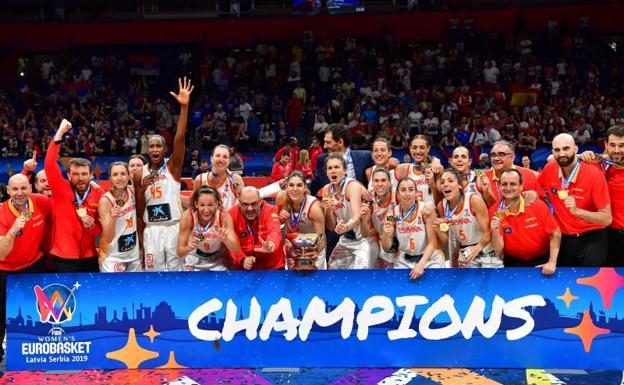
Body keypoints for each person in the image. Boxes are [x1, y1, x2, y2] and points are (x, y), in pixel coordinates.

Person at [136, 77, 194, 272]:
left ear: (164, 149)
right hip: (151, 231)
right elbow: (138, 208)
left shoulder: (173, 166)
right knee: (153, 275)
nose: (154, 148)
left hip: (173, 227)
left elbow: (180, 137)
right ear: (147, 149)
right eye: (151, 145)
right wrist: (141, 240)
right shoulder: (139, 174)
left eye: (158, 145)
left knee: (177, 273)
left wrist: (184, 107)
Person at [0, 174, 52, 361]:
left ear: (31, 188)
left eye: (23, 188)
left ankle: (39, 351)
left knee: (37, 310)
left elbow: (64, 206)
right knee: (1, 313)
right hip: (5, 267)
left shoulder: (41, 202)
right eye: (15, 189)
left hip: (33, 264)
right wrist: (13, 231)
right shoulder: (1, 212)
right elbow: (1, 254)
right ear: (8, 191)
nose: (20, 193)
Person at [538, 133, 611, 267]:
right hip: (565, 238)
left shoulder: (594, 174)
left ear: (576, 149)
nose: (561, 154)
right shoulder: (549, 169)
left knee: (590, 282)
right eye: (557, 150)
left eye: (566, 149)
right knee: (563, 283)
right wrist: (532, 192)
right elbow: (537, 184)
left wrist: (577, 211)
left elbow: (607, 219)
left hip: (592, 237)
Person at [45, 119, 104, 272]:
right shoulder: (61, 189)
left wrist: (92, 227)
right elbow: (50, 164)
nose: (80, 178)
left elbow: (102, 228)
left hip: (90, 256)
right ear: (69, 176)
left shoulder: (99, 193)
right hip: (64, 257)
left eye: (84, 174)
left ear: (91, 175)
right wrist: (59, 133)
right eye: (76, 174)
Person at [490, 168, 560, 274]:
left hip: (542, 261)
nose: (508, 188)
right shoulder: (495, 211)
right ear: (499, 186)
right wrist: (495, 230)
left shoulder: (537, 206)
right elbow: (499, 250)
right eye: (504, 184)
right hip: (513, 263)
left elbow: (555, 233)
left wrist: (552, 261)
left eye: (513, 184)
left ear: (521, 186)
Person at [580, 125, 624, 267]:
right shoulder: (598, 165)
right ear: (606, 145)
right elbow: (552, 158)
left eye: (622, 146)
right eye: (613, 145)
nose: (617, 150)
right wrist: (581, 155)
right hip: (607, 235)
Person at [436, 169, 499, 268]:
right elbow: (449, 237)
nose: (445, 184)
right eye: (442, 182)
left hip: (485, 251)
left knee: (490, 283)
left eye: (450, 181)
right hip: (465, 253)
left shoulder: (474, 200)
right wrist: (440, 228)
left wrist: (477, 248)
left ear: (460, 185)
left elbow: (488, 232)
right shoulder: (441, 206)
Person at [381, 178, 442, 279]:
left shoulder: (426, 210)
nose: (407, 194)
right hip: (404, 260)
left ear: (416, 193)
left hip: (429, 259)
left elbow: (432, 243)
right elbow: (386, 247)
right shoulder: (392, 214)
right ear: (398, 194)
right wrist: (386, 235)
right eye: (403, 190)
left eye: (410, 189)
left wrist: (421, 263)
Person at [321, 153, 372, 269]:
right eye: (330, 168)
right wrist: (327, 209)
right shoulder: (327, 190)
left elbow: (357, 216)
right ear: (327, 172)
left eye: (337, 167)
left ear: (344, 170)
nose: (333, 171)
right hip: (347, 239)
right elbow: (331, 226)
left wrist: (346, 227)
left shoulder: (351, 185)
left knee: (359, 274)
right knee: (332, 270)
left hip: (365, 239)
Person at [177, 186, 241, 271]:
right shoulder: (188, 216)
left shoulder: (223, 215)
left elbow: (236, 250)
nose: (206, 210)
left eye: (210, 205)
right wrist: (189, 248)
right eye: (202, 205)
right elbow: (180, 252)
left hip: (218, 260)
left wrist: (226, 240)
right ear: (196, 204)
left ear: (217, 204)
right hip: (194, 259)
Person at [276, 172, 326, 269]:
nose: (295, 189)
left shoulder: (314, 207)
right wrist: (279, 220)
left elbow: (322, 237)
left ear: (305, 187)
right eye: (291, 185)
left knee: (312, 280)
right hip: (292, 246)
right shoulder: (280, 198)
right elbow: (275, 224)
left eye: (299, 185)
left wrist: (316, 251)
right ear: (286, 186)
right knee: (293, 280)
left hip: (313, 248)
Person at [98, 162, 141, 272]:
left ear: (128, 176)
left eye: (123, 174)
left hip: (133, 254)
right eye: (115, 174)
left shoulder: (133, 191)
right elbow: (108, 237)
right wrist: (113, 218)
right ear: (110, 178)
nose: (120, 178)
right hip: (112, 256)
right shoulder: (105, 201)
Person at [229, 186, 285, 270]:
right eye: (245, 204)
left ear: (260, 201)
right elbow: (230, 242)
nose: (250, 208)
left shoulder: (271, 210)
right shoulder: (231, 215)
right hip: (244, 269)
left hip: (273, 268)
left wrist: (271, 244)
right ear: (239, 203)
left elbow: (274, 230)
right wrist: (242, 259)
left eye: (254, 204)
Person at [310, 124, 374, 195]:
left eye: (328, 142)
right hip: (331, 204)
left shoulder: (365, 157)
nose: (324, 146)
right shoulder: (322, 160)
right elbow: (313, 189)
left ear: (340, 141)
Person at [480, 140, 543, 208]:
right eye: (493, 155)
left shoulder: (528, 175)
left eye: (501, 154)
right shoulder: (483, 178)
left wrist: (536, 195)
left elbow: (543, 204)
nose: (496, 158)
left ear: (512, 157)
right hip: (493, 217)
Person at [191, 144, 245, 211]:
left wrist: (241, 197)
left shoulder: (235, 180)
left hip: (228, 220)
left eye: (225, 157)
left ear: (229, 160)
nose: (221, 159)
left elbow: (244, 205)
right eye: (217, 156)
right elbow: (192, 204)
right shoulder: (200, 180)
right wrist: (176, 196)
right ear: (211, 158)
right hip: (206, 220)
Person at [394, 135, 443, 204]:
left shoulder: (436, 168)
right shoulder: (404, 169)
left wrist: (432, 184)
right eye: (414, 148)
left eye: (422, 147)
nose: (418, 151)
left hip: (430, 213)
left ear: (428, 148)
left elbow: (440, 202)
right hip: (410, 214)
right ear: (410, 149)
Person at [366, 167, 397, 267]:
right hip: (381, 241)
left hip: (401, 240)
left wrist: (389, 219)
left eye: (383, 180)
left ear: (390, 182)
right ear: (372, 183)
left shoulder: (398, 194)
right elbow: (367, 230)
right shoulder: (368, 198)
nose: (380, 184)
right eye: (376, 181)